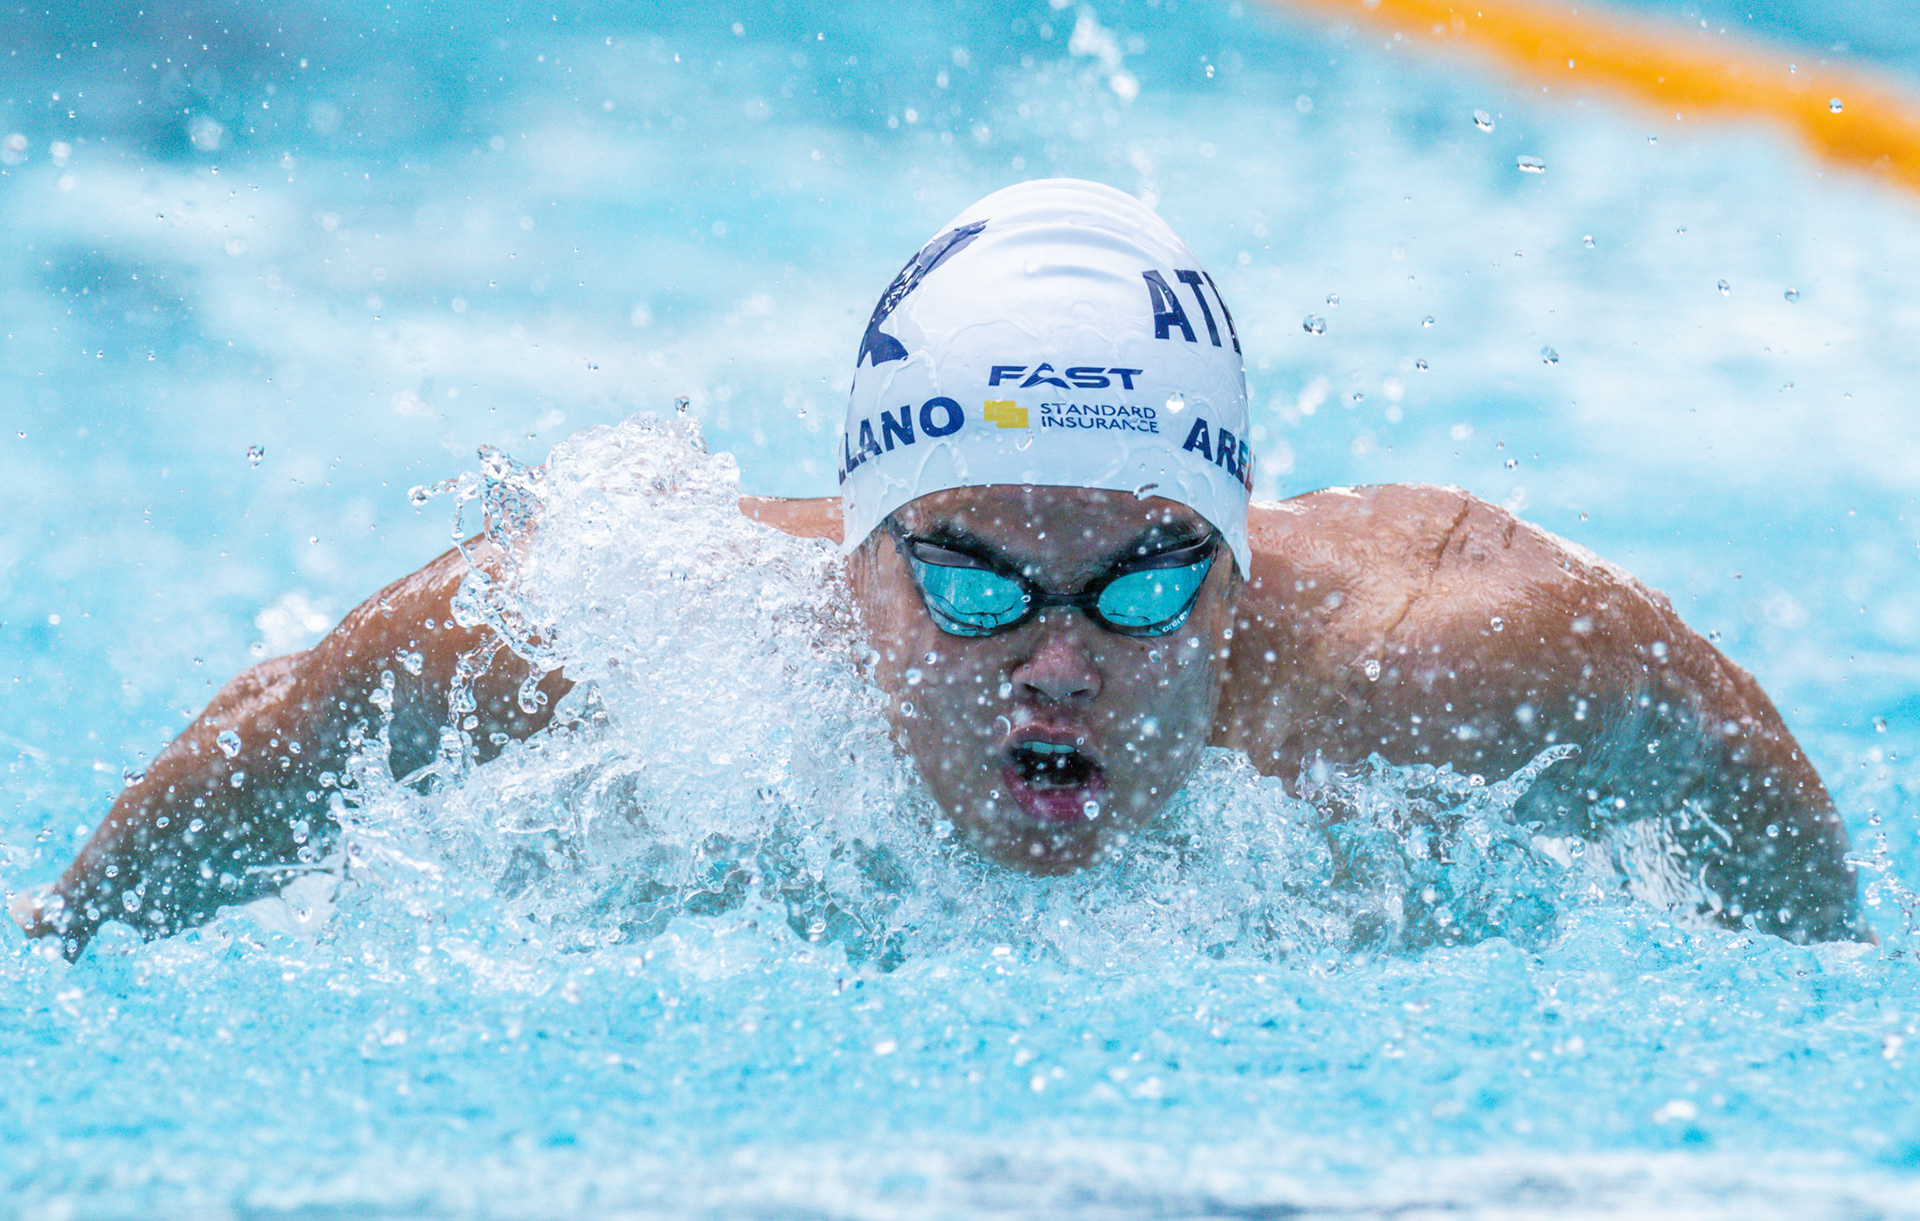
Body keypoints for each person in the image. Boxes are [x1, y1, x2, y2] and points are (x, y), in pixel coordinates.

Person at [11, 179, 1866, 959]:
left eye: (1144, 587)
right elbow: (295, 720)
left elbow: (1717, 736)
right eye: (976, 587)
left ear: (1235, 577)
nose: (1057, 666)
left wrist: (1828, 972)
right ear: (859, 568)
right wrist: (55, 944)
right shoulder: (657, 622)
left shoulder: (1432, 656)